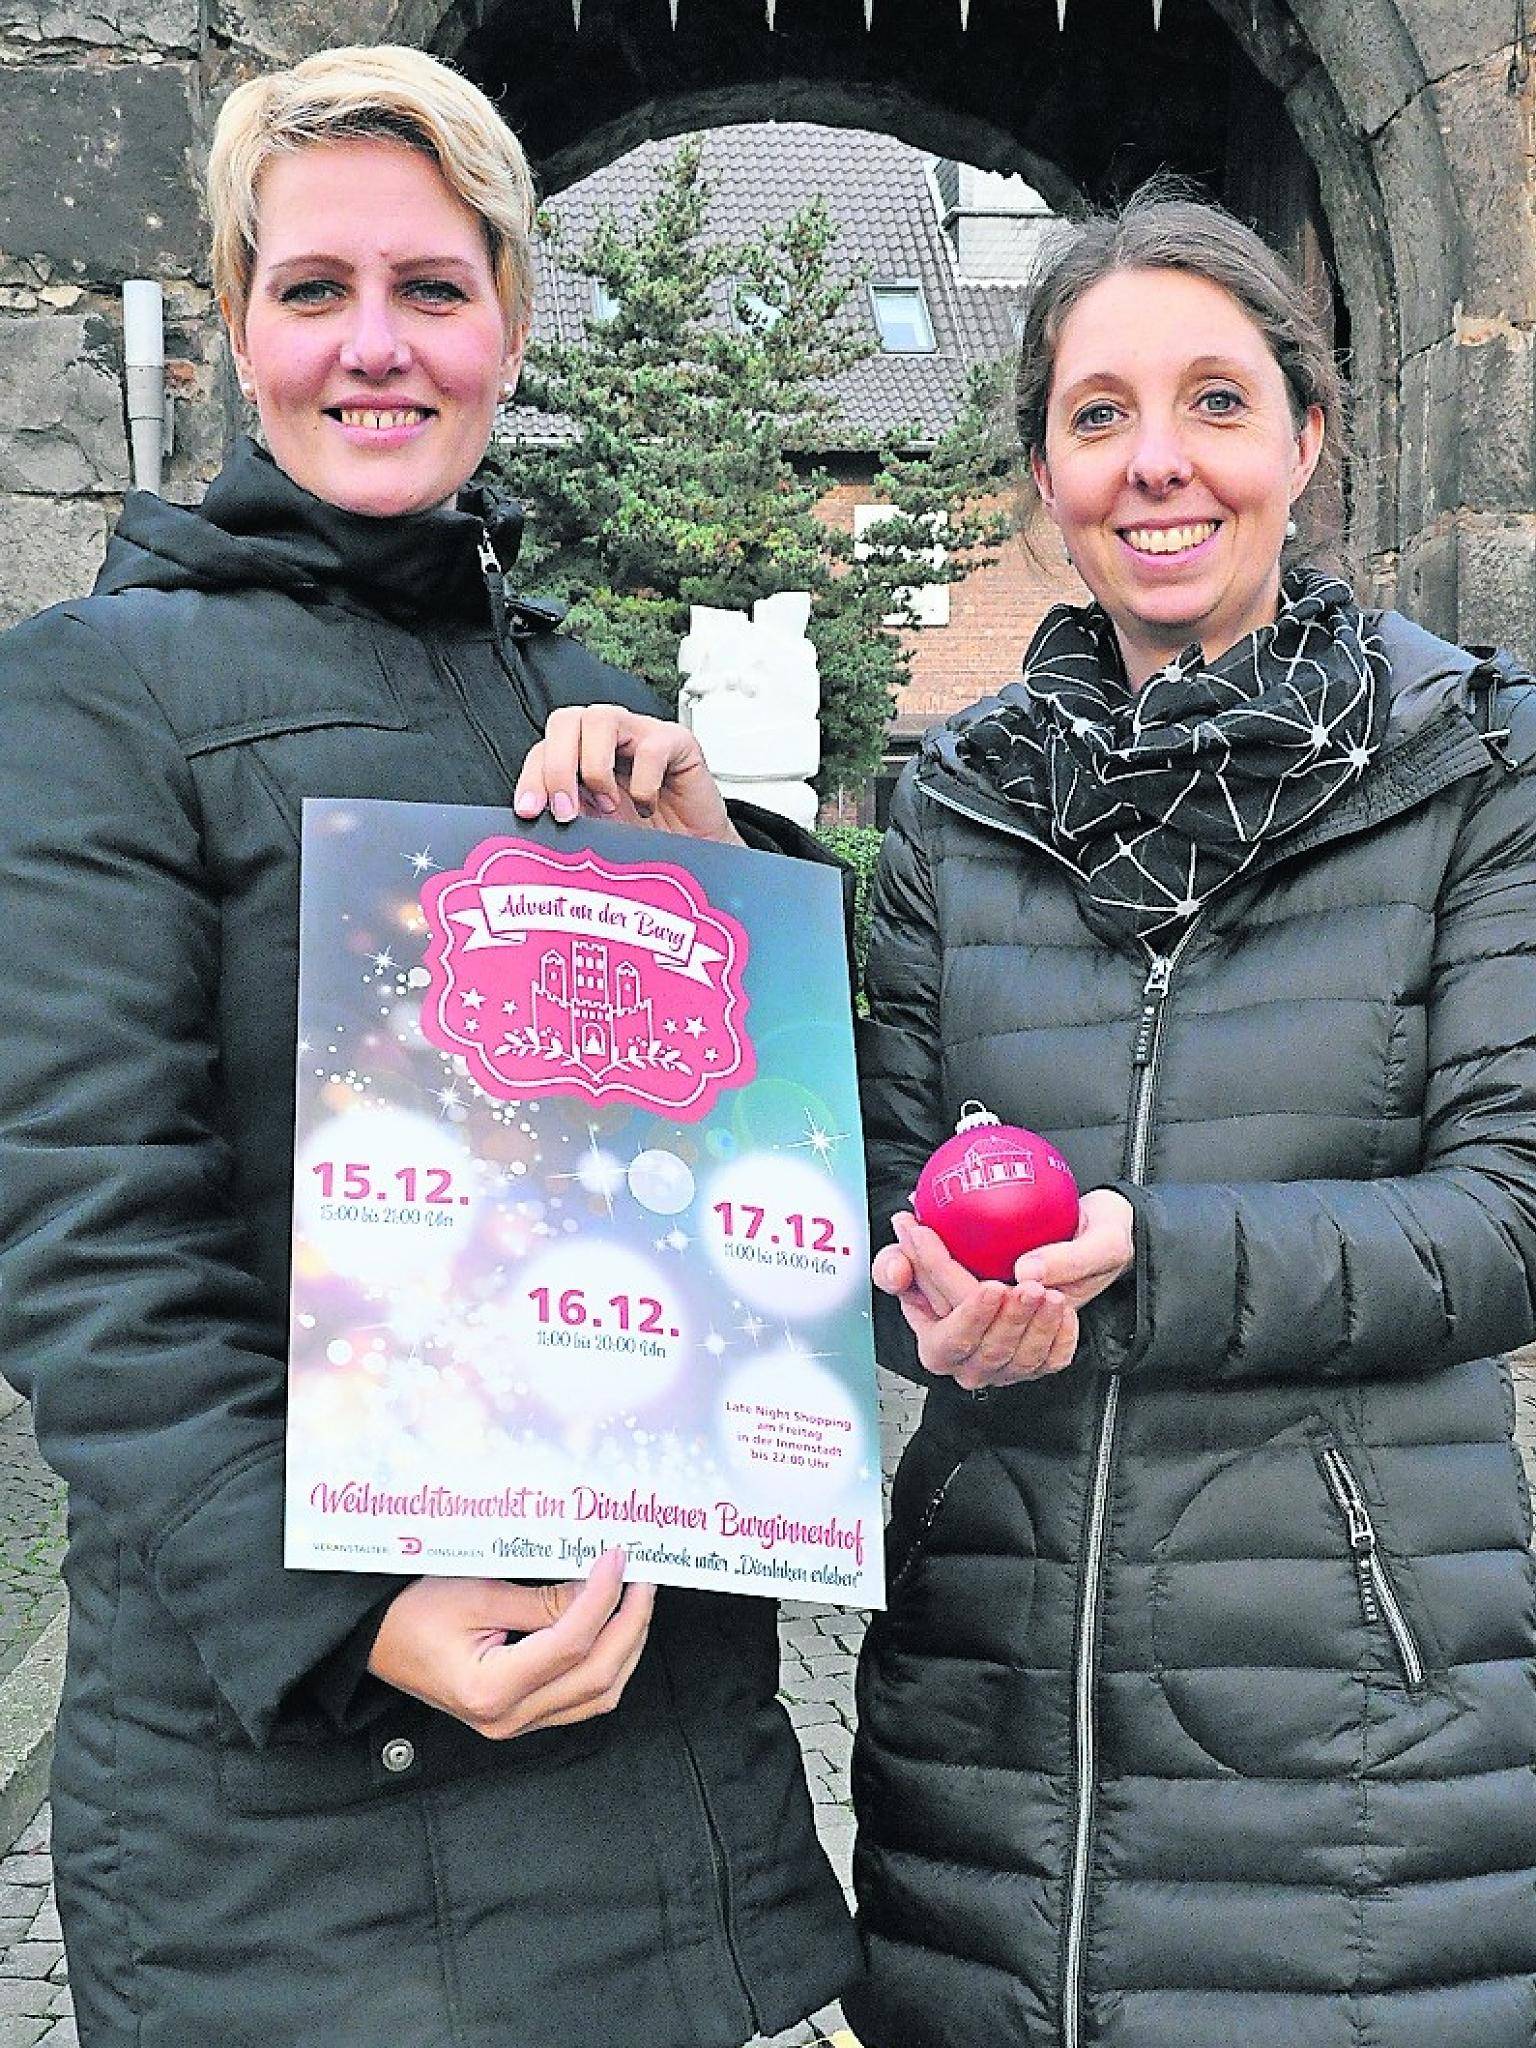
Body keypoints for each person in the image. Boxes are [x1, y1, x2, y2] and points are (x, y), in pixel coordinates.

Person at [0, 45, 860, 2048]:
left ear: (507, 324)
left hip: (660, 1775)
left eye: (432, 288)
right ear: (235, 327)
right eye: (315, 291)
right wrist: (352, 1618)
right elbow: (81, 1240)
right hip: (307, 1834)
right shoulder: (88, 700)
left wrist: (721, 872)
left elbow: (751, 1170)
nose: (374, 347)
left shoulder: (588, 689)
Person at [847, 188, 1536, 2048]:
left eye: (1216, 402)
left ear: (1309, 442)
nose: (1158, 464)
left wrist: (1147, 1256)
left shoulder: (1472, 766)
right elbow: (872, 1214)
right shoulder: (952, 811)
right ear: (1047, 473)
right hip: (991, 1717)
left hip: (1354, 1729)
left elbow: (1509, 1217)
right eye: (1099, 415)